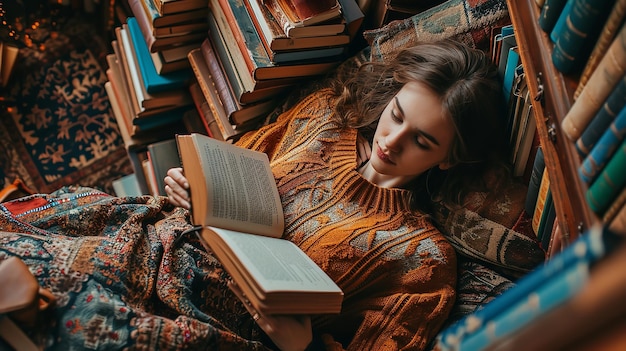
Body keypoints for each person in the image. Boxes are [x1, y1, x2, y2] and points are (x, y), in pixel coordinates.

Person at [164, 39, 508, 351]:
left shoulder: (425, 261)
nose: (391, 140)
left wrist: (305, 346)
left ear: (447, 159)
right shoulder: (324, 116)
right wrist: (193, 188)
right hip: (166, 243)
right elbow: (233, 164)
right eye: (397, 114)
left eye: (421, 141)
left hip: (215, 327)